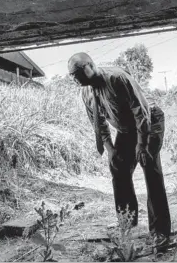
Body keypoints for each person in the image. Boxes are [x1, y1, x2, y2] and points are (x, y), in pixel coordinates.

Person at [67, 52, 171, 248]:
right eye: (71, 75)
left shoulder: (117, 78)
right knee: (118, 169)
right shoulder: (86, 92)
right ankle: (126, 219)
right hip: (126, 128)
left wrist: (141, 144)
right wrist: (111, 150)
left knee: (150, 167)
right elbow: (98, 124)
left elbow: (141, 111)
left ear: (89, 66)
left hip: (149, 121)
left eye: (77, 73)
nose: (74, 78)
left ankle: (160, 232)